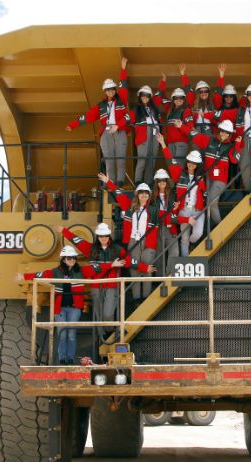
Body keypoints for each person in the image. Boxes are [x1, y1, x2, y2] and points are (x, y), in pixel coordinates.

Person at [22, 245, 124, 365]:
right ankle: (62, 360)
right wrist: (24, 276)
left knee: (71, 334)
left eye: (74, 258)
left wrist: (112, 265)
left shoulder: (80, 271)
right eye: (69, 258)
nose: (72, 260)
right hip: (59, 309)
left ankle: (69, 359)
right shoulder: (55, 272)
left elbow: (97, 268)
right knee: (62, 333)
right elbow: (40, 275)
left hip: (74, 309)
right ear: (64, 259)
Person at [56, 222, 148, 338]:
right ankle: (102, 337)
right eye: (101, 236)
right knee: (98, 315)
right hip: (96, 287)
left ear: (109, 236)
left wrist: (145, 268)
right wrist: (64, 231)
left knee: (108, 313)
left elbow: (130, 262)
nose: (103, 238)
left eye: (105, 236)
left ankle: (110, 333)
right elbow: (76, 240)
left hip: (112, 287)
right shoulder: (91, 249)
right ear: (97, 237)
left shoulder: (117, 250)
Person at [66, 57, 130, 186]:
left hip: (119, 130)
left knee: (121, 158)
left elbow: (124, 85)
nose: (110, 91)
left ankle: (120, 182)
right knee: (109, 160)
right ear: (105, 91)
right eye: (108, 90)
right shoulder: (100, 106)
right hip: (106, 133)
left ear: (115, 90)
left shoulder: (122, 99)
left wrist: (123, 69)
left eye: (112, 89)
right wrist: (72, 125)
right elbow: (87, 117)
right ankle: (110, 182)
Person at [98, 173, 158, 305]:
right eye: (141, 193)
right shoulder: (129, 207)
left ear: (149, 195)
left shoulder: (154, 210)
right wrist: (109, 181)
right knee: (134, 268)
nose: (143, 195)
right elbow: (118, 193)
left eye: (146, 193)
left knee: (147, 269)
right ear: (137, 195)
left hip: (148, 243)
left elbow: (167, 217)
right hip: (133, 241)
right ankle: (137, 298)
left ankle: (146, 298)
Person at [157, 134, 207, 256]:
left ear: (197, 165)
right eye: (190, 162)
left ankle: (192, 243)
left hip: (198, 211)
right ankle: (185, 259)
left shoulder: (201, 178)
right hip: (183, 211)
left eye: (194, 163)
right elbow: (170, 161)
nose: (191, 165)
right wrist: (163, 144)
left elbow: (205, 193)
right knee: (184, 239)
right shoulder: (180, 174)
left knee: (197, 234)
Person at [189, 119, 243, 225]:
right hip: (207, 177)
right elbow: (195, 137)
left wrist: (237, 144)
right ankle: (210, 229)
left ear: (230, 134)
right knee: (208, 203)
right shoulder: (209, 140)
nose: (224, 134)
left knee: (211, 202)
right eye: (223, 131)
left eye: (227, 132)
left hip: (220, 180)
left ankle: (220, 226)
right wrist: (182, 126)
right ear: (219, 131)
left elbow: (234, 160)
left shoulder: (231, 146)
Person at [156, 73, 193, 165]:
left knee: (179, 167)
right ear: (173, 99)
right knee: (170, 166)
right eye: (176, 98)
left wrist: (181, 127)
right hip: (170, 143)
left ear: (184, 99)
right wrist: (163, 81)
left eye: (181, 98)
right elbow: (160, 96)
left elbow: (190, 127)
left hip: (181, 143)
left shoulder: (186, 110)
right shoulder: (169, 109)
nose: (179, 100)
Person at [131, 85, 162, 186]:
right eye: (143, 96)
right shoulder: (136, 108)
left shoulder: (154, 109)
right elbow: (130, 120)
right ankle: (138, 181)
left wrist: (163, 81)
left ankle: (148, 181)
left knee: (152, 160)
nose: (145, 98)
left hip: (155, 134)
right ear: (140, 96)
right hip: (143, 135)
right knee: (142, 159)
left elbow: (159, 94)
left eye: (147, 96)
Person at [152, 168, 180, 275]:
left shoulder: (173, 195)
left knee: (175, 252)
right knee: (159, 256)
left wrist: (175, 209)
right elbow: (153, 212)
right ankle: (160, 282)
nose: (162, 182)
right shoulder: (152, 197)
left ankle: (169, 276)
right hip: (157, 228)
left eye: (164, 180)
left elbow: (175, 212)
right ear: (156, 183)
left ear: (167, 181)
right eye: (159, 180)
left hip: (171, 227)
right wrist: (166, 212)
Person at [181, 63, 217, 137]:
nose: (204, 93)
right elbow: (188, 91)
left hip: (210, 128)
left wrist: (221, 76)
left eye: (206, 91)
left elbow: (219, 94)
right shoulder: (193, 102)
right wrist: (183, 75)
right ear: (198, 93)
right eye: (201, 91)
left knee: (210, 147)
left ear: (209, 92)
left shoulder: (213, 103)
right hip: (196, 128)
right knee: (196, 148)